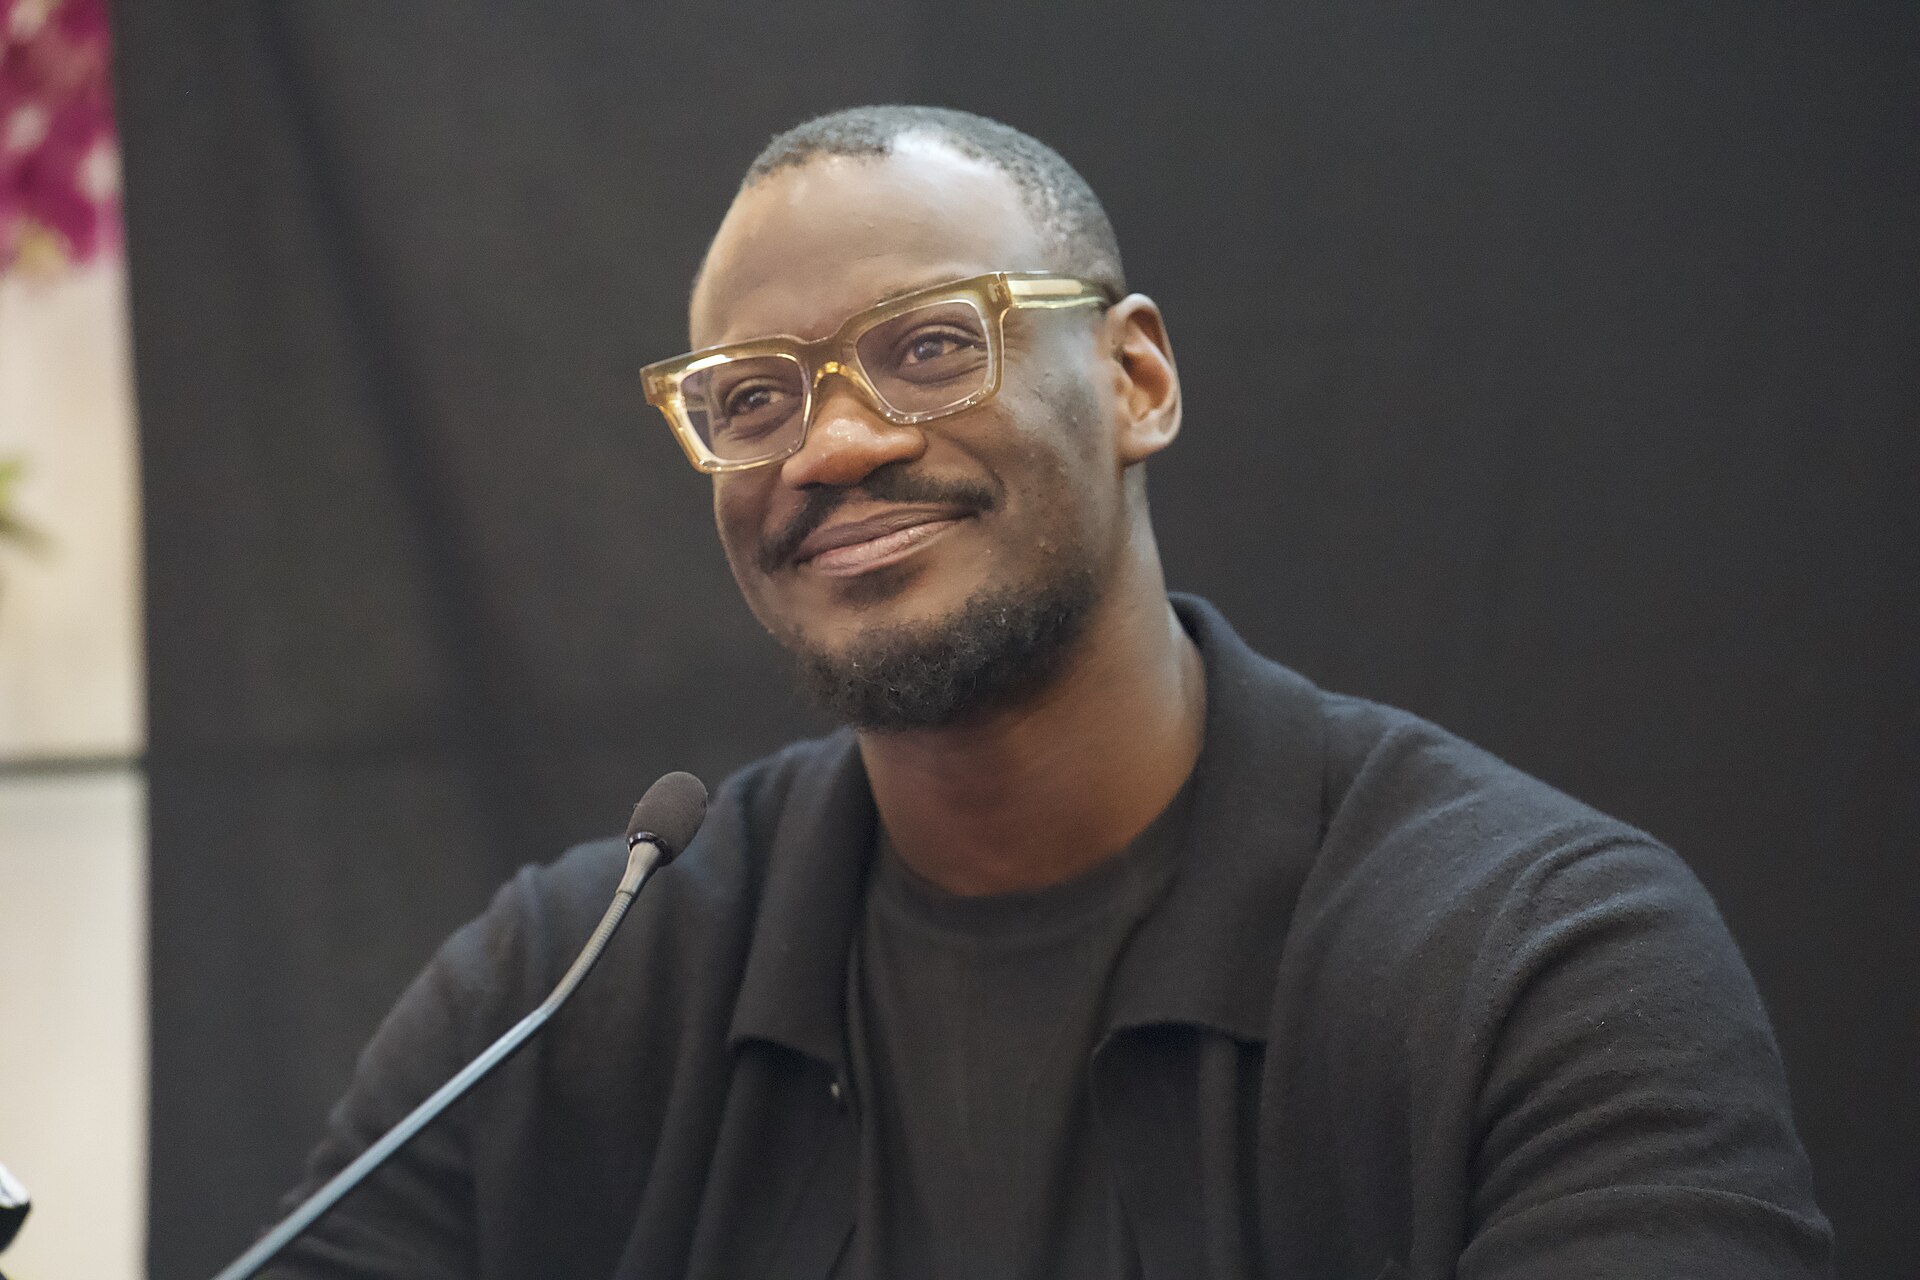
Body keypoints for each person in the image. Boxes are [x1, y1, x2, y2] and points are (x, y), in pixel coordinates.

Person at [267, 106, 1831, 1279]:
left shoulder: (1537, 960)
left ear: (1137, 379)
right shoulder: (578, 982)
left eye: (935, 346)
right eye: (752, 399)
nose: (831, 446)